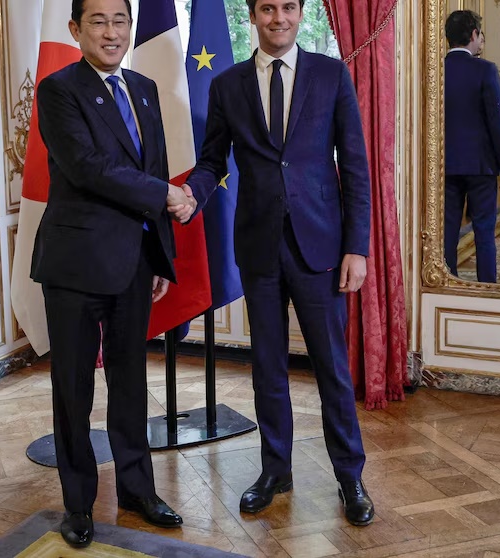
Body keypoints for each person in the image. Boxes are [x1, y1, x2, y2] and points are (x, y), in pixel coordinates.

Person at [181, 0, 375, 527]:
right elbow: (212, 162)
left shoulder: (331, 75)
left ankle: (350, 476)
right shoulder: (227, 85)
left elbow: (355, 165)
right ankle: (275, 470)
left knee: (332, 368)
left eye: (288, 7)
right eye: (267, 8)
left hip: (321, 247)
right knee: (267, 366)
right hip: (259, 247)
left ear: (300, 12)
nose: (279, 18)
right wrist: (191, 194)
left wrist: (357, 247)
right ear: (253, 16)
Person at [31, 0, 196, 547]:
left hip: (134, 263)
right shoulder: (58, 90)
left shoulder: (144, 88)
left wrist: (158, 255)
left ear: (130, 27)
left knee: (130, 385)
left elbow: (153, 164)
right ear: (75, 29)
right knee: (73, 391)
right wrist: (166, 195)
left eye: (120, 20)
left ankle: (137, 491)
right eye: (98, 21)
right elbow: (88, 168)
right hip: (76, 266)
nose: (111, 32)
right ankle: (78, 505)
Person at [443, 10, 500, 283]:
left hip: (444, 165)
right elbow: (497, 121)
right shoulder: (485, 69)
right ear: (474, 34)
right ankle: (487, 286)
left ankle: (448, 281)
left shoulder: (434, 70)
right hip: (481, 165)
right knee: (484, 231)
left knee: (447, 230)